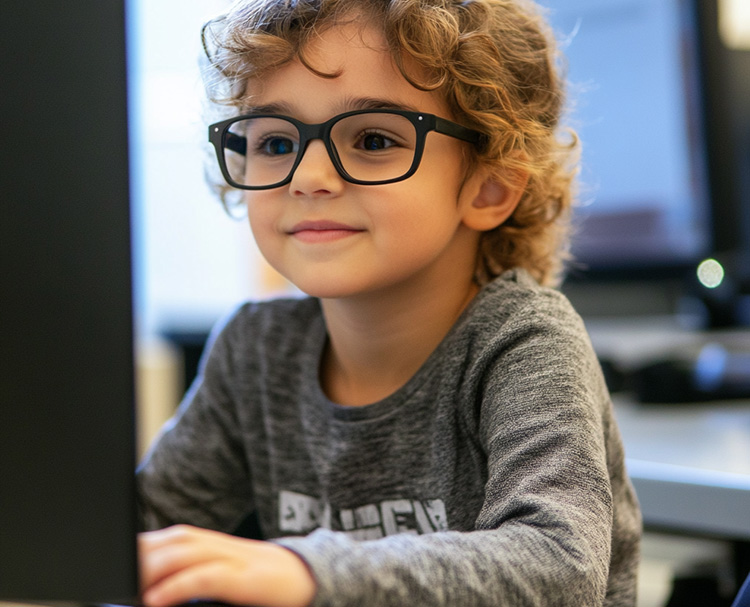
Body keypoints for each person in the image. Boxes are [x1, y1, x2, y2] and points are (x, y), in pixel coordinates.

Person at [136, 1, 642, 606]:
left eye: (373, 139)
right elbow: (142, 528)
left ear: (490, 186)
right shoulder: (258, 350)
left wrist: (306, 574)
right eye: (274, 141)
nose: (309, 176)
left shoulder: (522, 341)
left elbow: (560, 566)